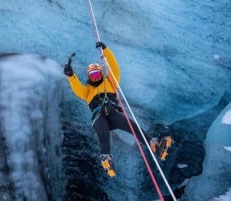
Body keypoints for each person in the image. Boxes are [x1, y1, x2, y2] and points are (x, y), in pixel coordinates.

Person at [64, 41, 170, 177]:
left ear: (101, 74)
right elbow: (77, 88)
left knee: (132, 126)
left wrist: (106, 50)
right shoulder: (87, 92)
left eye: (97, 74)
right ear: (89, 77)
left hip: (113, 114)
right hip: (99, 117)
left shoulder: (110, 81)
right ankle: (106, 158)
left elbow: (114, 67)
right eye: (92, 76)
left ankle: (153, 144)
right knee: (102, 132)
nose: (95, 77)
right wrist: (71, 76)